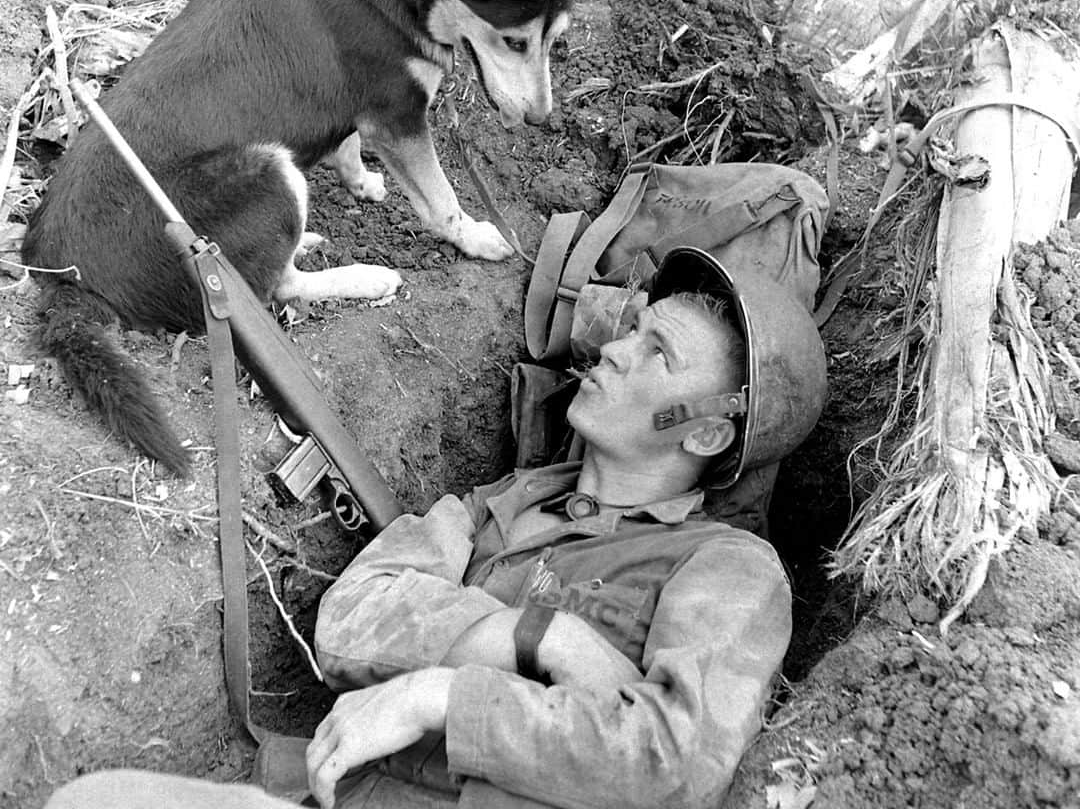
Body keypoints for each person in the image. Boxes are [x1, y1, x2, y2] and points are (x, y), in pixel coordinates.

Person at [45, 247, 828, 809]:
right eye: (634, 328)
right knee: (93, 798)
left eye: (658, 352)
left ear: (704, 434)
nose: (614, 348)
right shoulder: (494, 505)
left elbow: (676, 763)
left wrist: (444, 695)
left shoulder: (729, 568)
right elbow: (350, 621)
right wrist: (539, 640)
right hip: (335, 789)